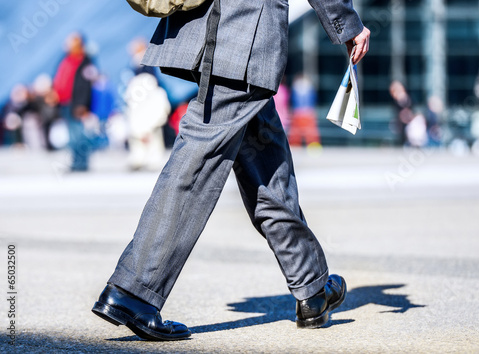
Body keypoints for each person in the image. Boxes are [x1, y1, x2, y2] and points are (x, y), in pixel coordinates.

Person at [92, 0, 370, 340]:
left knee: (267, 163)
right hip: (245, 35)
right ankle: (133, 291)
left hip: (215, 33)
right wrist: (347, 23)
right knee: (195, 167)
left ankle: (311, 287)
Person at [53, 32, 96, 171]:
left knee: (79, 135)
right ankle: (76, 162)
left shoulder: (85, 62)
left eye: (71, 41)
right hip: (65, 102)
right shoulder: (66, 59)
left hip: (77, 104)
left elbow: (86, 86)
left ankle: (81, 163)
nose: (68, 44)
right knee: (72, 136)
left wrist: (83, 105)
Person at [288, 74, 321, 147]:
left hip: (298, 112)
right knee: (310, 133)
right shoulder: (310, 88)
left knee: (296, 133)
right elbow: (313, 100)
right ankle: (313, 146)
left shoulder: (295, 87)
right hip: (308, 112)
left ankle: (294, 146)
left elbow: (293, 101)